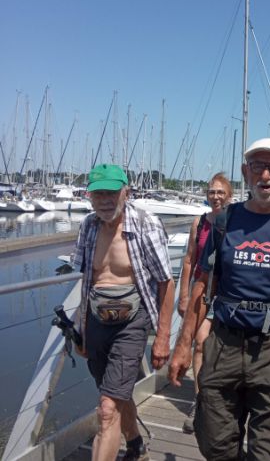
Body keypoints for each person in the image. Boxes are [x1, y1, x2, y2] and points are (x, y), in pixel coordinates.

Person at [169, 137, 270, 460]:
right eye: (258, 166)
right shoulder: (224, 222)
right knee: (213, 441)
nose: (266, 175)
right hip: (224, 342)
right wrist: (183, 345)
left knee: (269, 451)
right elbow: (203, 286)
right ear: (245, 172)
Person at [73, 164, 175, 461]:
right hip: (96, 320)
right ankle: (135, 443)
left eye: (112, 193)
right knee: (114, 392)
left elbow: (165, 282)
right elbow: (86, 280)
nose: (106, 200)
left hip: (132, 322)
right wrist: (81, 328)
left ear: (126, 193)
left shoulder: (145, 224)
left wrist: (163, 337)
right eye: (99, 194)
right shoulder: (88, 226)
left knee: (107, 409)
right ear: (90, 197)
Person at [177, 172, 233, 434]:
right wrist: (184, 295)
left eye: (221, 192)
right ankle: (199, 402)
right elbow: (189, 259)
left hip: (228, 292)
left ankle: (220, 399)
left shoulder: (234, 221)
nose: (216, 196)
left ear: (229, 195)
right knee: (199, 342)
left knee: (221, 347)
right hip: (202, 290)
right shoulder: (199, 222)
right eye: (212, 192)